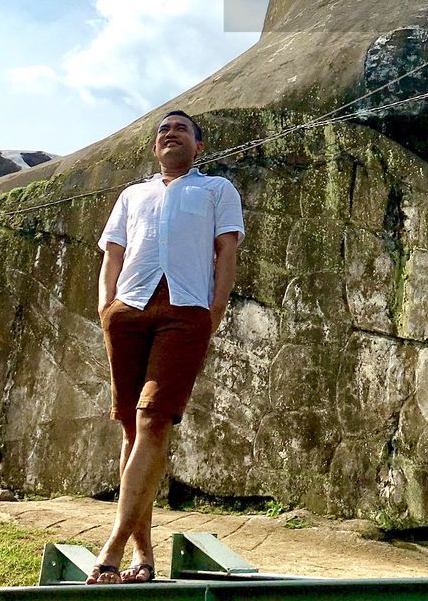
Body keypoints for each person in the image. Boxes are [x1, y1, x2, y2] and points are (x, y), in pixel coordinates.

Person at [87, 109, 244, 584]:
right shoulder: (133, 195)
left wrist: (212, 313)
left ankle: (112, 546)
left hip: (185, 310)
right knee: (131, 433)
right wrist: (105, 307)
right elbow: (113, 252)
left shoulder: (216, 189)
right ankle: (145, 555)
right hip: (128, 309)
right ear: (155, 147)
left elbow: (227, 252)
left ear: (198, 146)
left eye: (181, 129)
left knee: (154, 417)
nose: (170, 133)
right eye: (163, 130)